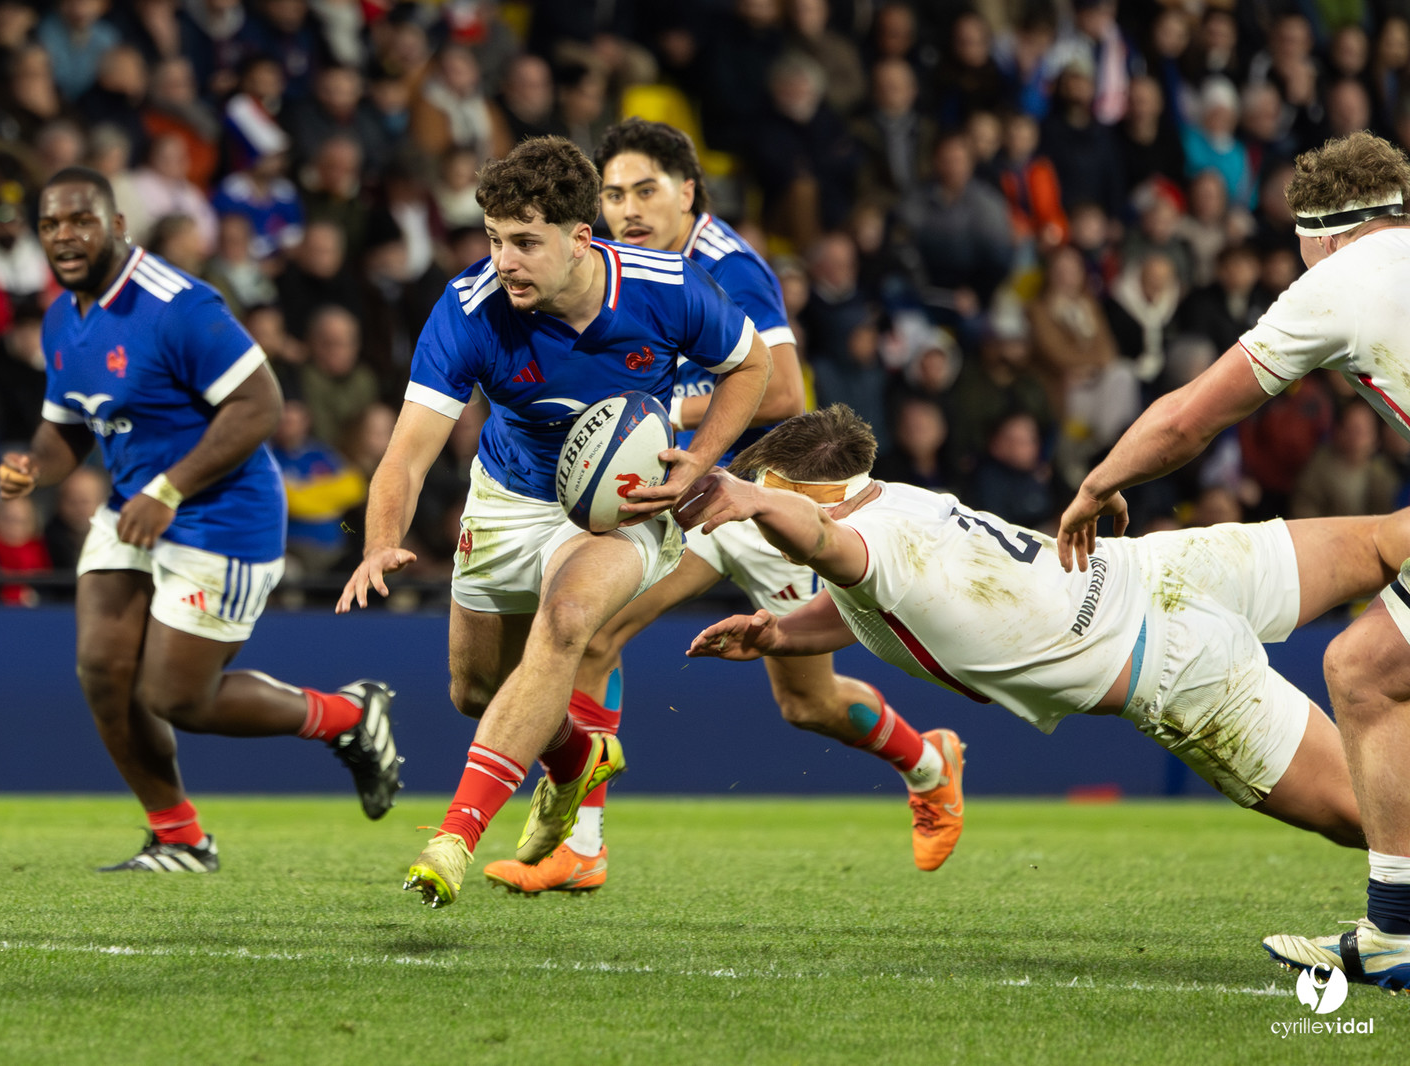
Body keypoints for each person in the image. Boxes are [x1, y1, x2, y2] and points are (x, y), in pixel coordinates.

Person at [479, 118, 966, 898]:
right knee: (595, 630)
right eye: (613, 193)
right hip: (691, 494)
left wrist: (646, 416)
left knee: (806, 705)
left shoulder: (725, 267)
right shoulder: (611, 272)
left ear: (689, 194)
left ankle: (930, 761)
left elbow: (781, 392)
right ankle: (584, 847)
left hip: (766, 499)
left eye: (646, 190)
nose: (628, 208)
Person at [336, 136, 772, 908]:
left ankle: (453, 839)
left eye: (525, 242)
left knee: (569, 622)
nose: (504, 260)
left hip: (620, 507)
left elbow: (754, 367)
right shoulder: (468, 309)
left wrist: (699, 461)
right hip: (509, 498)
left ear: (581, 240)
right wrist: (379, 542)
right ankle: (577, 758)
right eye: (495, 239)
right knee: (476, 691)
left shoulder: (668, 287)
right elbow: (406, 453)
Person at [685, 405, 1396, 873]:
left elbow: (817, 538)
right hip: (1167, 567)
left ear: (785, 488)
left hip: (1175, 671)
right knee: (1381, 541)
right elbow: (868, 599)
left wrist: (751, 497)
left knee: (1377, 820)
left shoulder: (846, 538)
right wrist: (780, 632)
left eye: (764, 495)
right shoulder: (896, 502)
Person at [1057, 131, 1410, 991]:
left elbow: (1189, 418)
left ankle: (1398, 933)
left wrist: (1101, 480)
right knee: (1374, 664)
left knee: (1363, 670)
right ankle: (1396, 930)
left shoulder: (1339, 278)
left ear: (1322, 231)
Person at [0, 166, 401, 874]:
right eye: (51, 224)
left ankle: (347, 717)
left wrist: (169, 490)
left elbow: (259, 405)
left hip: (222, 517)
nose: (66, 236)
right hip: (136, 509)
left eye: (81, 220)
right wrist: (32, 468)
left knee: (176, 696)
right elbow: (64, 430)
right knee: (101, 667)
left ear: (116, 226)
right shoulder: (63, 317)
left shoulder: (178, 305)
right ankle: (179, 838)